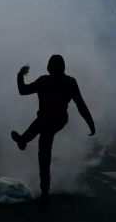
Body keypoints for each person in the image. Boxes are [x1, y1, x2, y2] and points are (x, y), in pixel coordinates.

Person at [11, 54, 95, 203]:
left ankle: (24, 141)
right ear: (63, 68)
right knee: (42, 135)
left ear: (49, 68)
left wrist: (20, 75)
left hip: (51, 120)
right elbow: (81, 105)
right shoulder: (69, 82)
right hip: (58, 119)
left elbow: (23, 90)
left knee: (44, 148)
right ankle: (23, 140)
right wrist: (90, 123)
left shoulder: (45, 81)